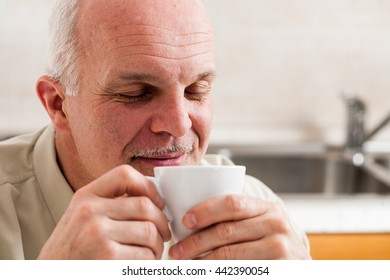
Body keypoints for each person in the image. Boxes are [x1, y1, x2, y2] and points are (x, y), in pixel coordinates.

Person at [0, 0, 311, 260]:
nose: (179, 124)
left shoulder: (258, 218)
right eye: (137, 93)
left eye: (196, 90)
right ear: (58, 104)